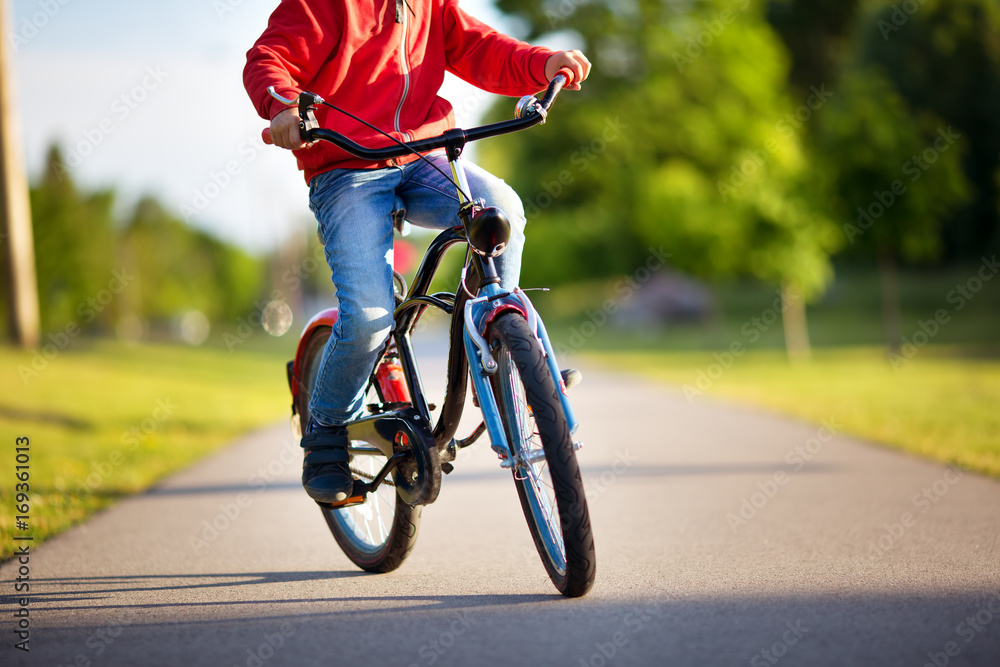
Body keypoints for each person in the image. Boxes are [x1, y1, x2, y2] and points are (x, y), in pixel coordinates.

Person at [244, 0, 590, 504]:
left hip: (425, 154)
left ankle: (505, 355)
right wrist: (284, 106)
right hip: (347, 169)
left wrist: (542, 64)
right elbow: (269, 59)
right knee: (368, 319)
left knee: (502, 208)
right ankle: (325, 434)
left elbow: (480, 48)